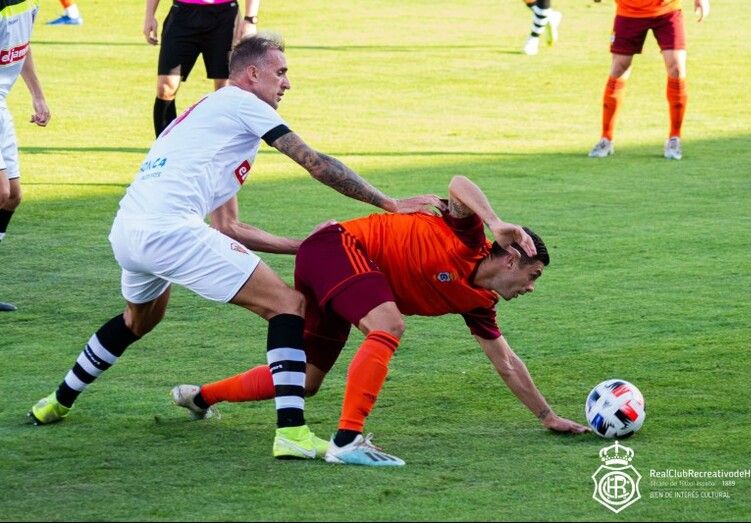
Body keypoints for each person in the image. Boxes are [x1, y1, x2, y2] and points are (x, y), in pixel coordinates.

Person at [28, 35, 443, 464]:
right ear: (252, 74)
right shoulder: (244, 104)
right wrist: (389, 203)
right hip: (169, 229)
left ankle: (56, 401)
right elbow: (315, 162)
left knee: (138, 320)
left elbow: (230, 227)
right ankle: (292, 433)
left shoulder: (214, 120)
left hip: (130, 231)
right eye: (280, 73)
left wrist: (311, 247)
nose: (287, 84)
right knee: (288, 304)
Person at [171, 175, 590, 467]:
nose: (531, 288)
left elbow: (507, 362)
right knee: (388, 325)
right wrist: (497, 221)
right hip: (337, 247)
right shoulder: (470, 236)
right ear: (512, 258)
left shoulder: (479, 302)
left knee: (307, 380)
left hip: (340, 271)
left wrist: (547, 416)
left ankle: (201, 397)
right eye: (532, 276)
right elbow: (458, 183)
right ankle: (348, 440)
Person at [588, 0, 710, 160]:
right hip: (629, 10)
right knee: (619, 68)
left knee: (677, 68)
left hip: (667, 9)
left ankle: (675, 138)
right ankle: (606, 139)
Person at [144, 0, 261, 137]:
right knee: (165, 87)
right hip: (182, 15)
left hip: (225, 18)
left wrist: (250, 19)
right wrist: (149, 16)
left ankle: (222, 149)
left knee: (226, 90)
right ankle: (164, 149)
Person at [1, 0, 51, 312]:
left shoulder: (30, 4)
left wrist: (38, 96)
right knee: (1, 191)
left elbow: (24, 47)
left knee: (13, 196)